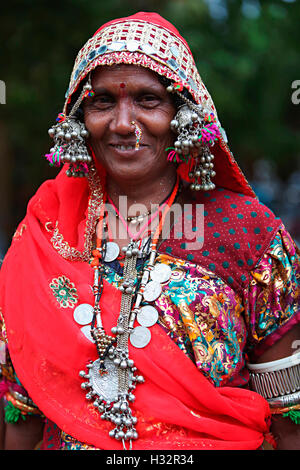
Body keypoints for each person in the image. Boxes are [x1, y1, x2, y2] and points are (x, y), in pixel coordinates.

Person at [0, 12, 299, 451]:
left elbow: (290, 415)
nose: (123, 123)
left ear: (184, 114)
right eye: (103, 101)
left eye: (148, 100)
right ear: (79, 119)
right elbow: (21, 410)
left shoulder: (249, 235)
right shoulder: (45, 232)